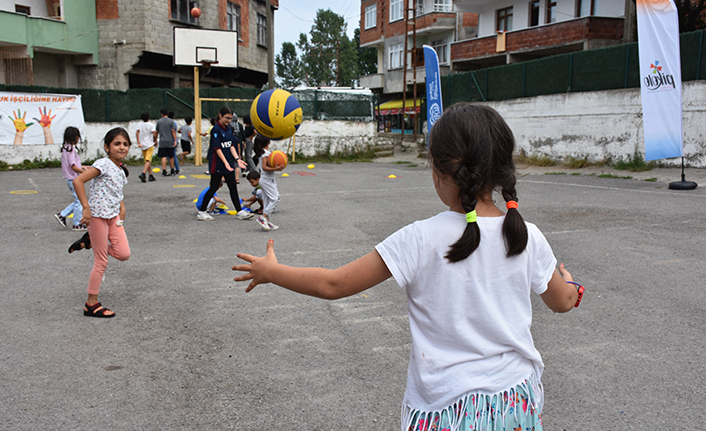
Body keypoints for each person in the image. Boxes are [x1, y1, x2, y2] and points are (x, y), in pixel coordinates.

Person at [232, 103, 584, 431]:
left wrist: (270, 272)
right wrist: (570, 283)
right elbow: (562, 300)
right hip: (513, 405)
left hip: (445, 412)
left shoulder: (419, 238)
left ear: (438, 170)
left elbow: (334, 284)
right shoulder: (525, 235)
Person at [69, 127, 132, 318]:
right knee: (101, 261)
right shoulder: (103, 164)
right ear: (107, 147)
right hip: (97, 217)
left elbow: (116, 192)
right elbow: (78, 181)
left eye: (125, 144)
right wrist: (86, 208)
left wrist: (122, 208)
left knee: (123, 254)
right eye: (117, 144)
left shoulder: (120, 170)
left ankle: (90, 241)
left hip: (113, 217)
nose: (122, 147)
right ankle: (91, 303)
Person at [197, 106, 251, 221]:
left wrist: (237, 159)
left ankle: (240, 211)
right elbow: (217, 148)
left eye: (230, 118)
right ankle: (202, 211)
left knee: (232, 186)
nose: (228, 120)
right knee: (214, 187)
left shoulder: (229, 129)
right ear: (220, 115)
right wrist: (225, 162)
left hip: (228, 163)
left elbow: (230, 145)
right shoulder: (216, 129)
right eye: (227, 118)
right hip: (217, 164)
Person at [54, 127, 88, 231]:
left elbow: (74, 164)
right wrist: (84, 172)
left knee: (79, 200)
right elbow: (73, 166)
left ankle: (62, 215)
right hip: (73, 178)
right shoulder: (71, 150)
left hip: (71, 178)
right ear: (75, 137)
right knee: (79, 201)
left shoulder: (66, 148)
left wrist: (83, 167)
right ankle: (77, 224)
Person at [253, 135, 284, 231]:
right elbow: (265, 167)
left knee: (267, 201)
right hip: (267, 180)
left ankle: (266, 220)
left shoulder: (262, 152)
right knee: (276, 198)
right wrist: (276, 169)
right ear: (269, 142)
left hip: (266, 179)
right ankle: (263, 217)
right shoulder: (265, 154)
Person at [136, 111, 157, 183]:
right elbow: (154, 134)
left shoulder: (139, 125)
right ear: (148, 117)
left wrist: (138, 142)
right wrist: (155, 141)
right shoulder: (151, 125)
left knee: (147, 161)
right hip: (149, 144)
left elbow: (137, 133)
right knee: (148, 160)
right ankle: (143, 173)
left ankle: (150, 175)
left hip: (143, 144)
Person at [156, 108, 177, 176]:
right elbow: (173, 131)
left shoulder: (159, 122)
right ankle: (172, 169)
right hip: (169, 140)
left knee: (163, 156)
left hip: (162, 141)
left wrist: (155, 140)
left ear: (161, 114)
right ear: (167, 114)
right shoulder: (171, 121)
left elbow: (157, 132)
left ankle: (164, 170)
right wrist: (175, 140)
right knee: (171, 156)